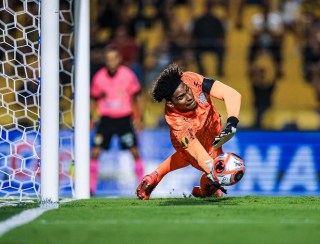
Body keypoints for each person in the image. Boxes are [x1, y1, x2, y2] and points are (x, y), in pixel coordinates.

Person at [136, 63, 241, 200]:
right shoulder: (177, 123)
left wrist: (232, 123)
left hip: (212, 127)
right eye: (181, 97)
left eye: (187, 90)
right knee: (204, 168)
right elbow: (198, 153)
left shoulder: (191, 79)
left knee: (202, 163)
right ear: (171, 104)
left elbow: (231, 94)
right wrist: (215, 172)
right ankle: (205, 191)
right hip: (192, 139)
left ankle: (155, 176)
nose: (189, 97)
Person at [90, 45, 144, 196]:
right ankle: (90, 188)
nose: (111, 62)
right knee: (95, 152)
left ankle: (144, 185)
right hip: (106, 119)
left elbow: (138, 96)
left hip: (124, 119)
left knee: (134, 151)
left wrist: (139, 117)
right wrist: (91, 117)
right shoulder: (99, 77)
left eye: (114, 59)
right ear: (105, 61)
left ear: (119, 59)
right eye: (108, 60)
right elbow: (93, 98)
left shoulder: (128, 75)